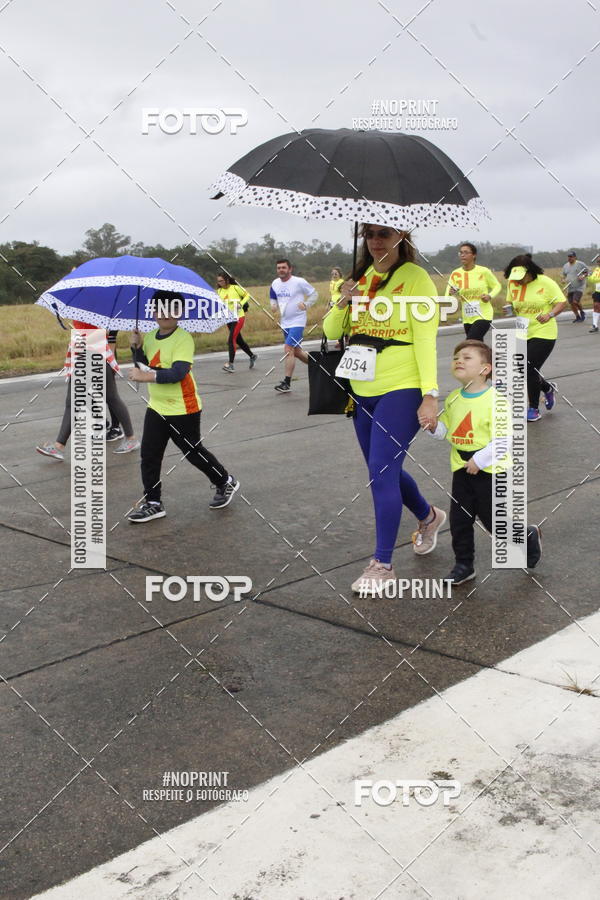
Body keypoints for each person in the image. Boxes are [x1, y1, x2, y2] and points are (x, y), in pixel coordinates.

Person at [323, 224, 446, 595]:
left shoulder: (415, 278)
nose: (376, 240)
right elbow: (331, 331)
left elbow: (425, 339)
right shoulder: (359, 277)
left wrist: (430, 393)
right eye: (370, 234)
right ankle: (428, 516)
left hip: (402, 385)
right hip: (362, 387)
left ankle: (382, 565)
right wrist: (343, 300)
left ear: (401, 238)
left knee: (381, 471)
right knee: (382, 469)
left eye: (384, 234)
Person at [426, 340, 542, 584]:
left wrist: (479, 460)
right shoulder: (453, 398)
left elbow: (504, 440)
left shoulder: (496, 401)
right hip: (461, 469)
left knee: (494, 523)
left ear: (485, 369)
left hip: (491, 471)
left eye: (467, 358)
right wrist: (434, 427)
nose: (459, 360)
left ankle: (527, 536)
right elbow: (447, 431)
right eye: (456, 357)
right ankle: (464, 565)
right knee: (459, 520)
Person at [127, 291, 239, 522]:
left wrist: (145, 377)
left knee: (193, 452)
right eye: (160, 308)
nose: (165, 314)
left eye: (172, 308)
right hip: (157, 406)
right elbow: (145, 365)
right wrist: (136, 348)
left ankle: (224, 481)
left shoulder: (183, 339)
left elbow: (177, 373)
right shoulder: (150, 337)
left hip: (183, 407)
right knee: (149, 455)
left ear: (179, 312)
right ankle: (153, 503)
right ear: (153, 312)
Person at [36, 321, 139, 461]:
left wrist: (83, 340)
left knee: (109, 398)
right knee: (77, 402)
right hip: (86, 355)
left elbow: (104, 332)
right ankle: (59, 446)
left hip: (94, 356)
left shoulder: (95, 309)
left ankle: (130, 438)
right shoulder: (82, 309)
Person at [504, 254, 566, 422]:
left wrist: (550, 314)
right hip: (522, 331)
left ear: (530, 271)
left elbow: (561, 302)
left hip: (544, 331)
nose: (518, 281)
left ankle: (533, 408)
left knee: (529, 366)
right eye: (515, 278)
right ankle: (547, 388)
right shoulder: (512, 283)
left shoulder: (545, 282)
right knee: (523, 368)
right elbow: (512, 303)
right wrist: (509, 308)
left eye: (521, 277)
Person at [269, 259, 318, 393]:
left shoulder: (299, 281)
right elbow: (273, 296)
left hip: (298, 321)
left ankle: (287, 383)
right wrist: (273, 305)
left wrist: (306, 304)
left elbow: (314, 294)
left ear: (290, 269)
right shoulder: (275, 283)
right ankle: (318, 366)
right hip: (285, 322)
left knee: (288, 349)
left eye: (283, 267)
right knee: (296, 352)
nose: (281, 270)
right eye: (278, 268)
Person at [445, 242, 501, 341]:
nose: (462, 255)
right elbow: (447, 295)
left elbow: (497, 286)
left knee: (470, 342)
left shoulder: (484, 271)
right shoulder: (455, 273)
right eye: (461, 252)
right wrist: (450, 293)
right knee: (477, 344)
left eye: (466, 252)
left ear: (474, 255)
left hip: (483, 315)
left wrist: (489, 296)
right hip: (467, 317)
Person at [215, 271, 257, 373]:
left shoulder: (235, 288)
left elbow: (247, 295)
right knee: (238, 340)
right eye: (218, 281)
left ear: (227, 280)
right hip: (228, 319)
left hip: (239, 317)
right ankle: (252, 356)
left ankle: (231, 364)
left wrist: (241, 303)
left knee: (231, 340)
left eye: (221, 281)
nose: (220, 283)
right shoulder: (219, 291)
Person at [561, 251, 589, 322]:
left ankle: (582, 312)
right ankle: (577, 316)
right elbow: (563, 275)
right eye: (568, 257)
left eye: (571, 257)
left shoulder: (580, 264)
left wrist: (583, 276)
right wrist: (563, 280)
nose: (569, 258)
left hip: (579, 286)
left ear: (575, 257)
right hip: (570, 287)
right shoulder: (565, 266)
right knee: (571, 303)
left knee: (575, 301)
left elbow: (588, 271)